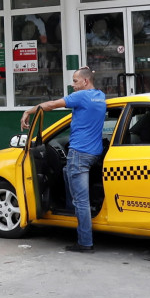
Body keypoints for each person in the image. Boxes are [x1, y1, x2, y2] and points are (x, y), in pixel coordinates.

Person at [20, 67, 106, 253]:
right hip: (94, 153)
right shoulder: (100, 96)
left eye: (75, 81)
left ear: (85, 82)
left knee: (81, 201)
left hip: (79, 153)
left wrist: (29, 111)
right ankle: (67, 212)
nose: (72, 85)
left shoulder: (81, 97)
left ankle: (84, 242)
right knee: (67, 172)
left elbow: (51, 105)